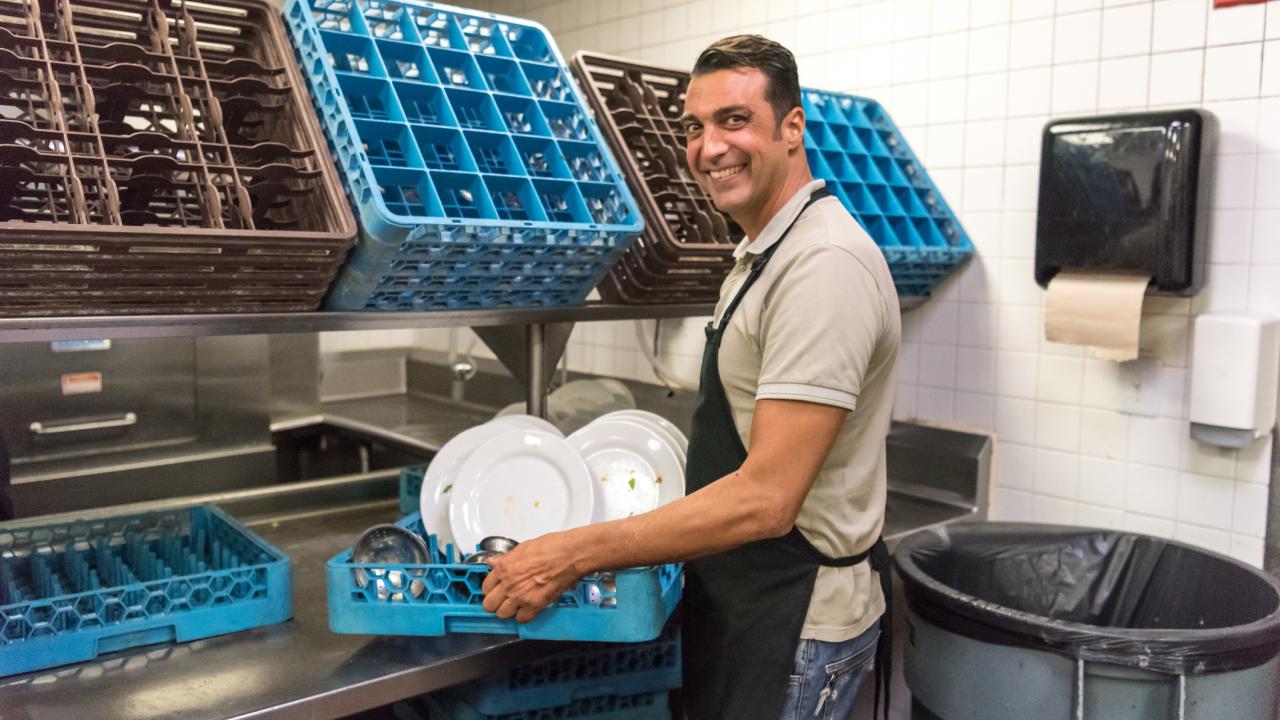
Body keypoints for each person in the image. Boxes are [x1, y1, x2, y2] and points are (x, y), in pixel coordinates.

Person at [482, 35, 901, 720]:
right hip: (749, 600)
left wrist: (574, 553)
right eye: (694, 126)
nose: (709, 148)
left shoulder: (823, 265)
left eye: (734, 120)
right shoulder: (766, 251)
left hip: (795, 621)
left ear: (792, 127)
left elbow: (767, 498)